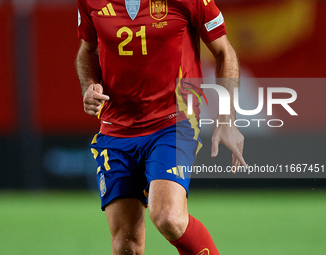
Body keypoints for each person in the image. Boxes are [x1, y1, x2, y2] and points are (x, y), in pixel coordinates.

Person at [76, 0, 246, 254]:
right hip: (116, 130)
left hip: (173, 122)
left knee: (169, 216)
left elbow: (224, 51)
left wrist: (227, 118)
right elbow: (87, 51)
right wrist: (89, 86)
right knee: (127, 245)